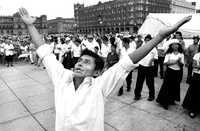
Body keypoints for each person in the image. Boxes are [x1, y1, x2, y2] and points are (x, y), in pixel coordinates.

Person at [19, 7, 191, 131]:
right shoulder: (62, 77)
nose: (79, 63)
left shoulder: (99, 86)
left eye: (87, 62)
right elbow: (45, 52)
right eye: (80, 61)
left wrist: (160, 36)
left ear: (96, 72)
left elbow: (127, 61)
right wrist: (30, 25)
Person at [156, 39, 184, 109]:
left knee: (175, 86)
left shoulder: (181, 54)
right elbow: (165, 63)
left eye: (177, 44)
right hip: (170, 71)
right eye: (174, 44)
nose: (175, 46)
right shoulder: (169, 54)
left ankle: (171, 100)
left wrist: (179, 62)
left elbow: (182, 64)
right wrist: (174, 62)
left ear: (179, 46)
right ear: (171, 46)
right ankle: (164, 102)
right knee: (167, 87)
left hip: (177, 72)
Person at [134, 34, 158, 101]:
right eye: (146, 40)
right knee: (139, 81)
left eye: (148, 40)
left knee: (150, 82)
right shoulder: (142, 47)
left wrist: (151, 60)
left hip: (150, 67)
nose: (147, 41)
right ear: (144, 40)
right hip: (141, 66)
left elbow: (156, 57)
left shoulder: (154, 48)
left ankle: (151, 96)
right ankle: (137, 95)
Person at [182, 45, 200, 118]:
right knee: (195, 93)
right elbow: (194, 65)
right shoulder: (197, 55)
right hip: (197, 76)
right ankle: (193, 109)